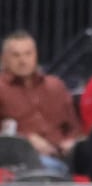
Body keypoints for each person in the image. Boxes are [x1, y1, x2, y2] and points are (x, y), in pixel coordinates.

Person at [0, 30, 80, 175]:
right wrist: (26, 140)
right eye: (16, 55)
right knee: (51, 168)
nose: (23, 60)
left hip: (63, 155)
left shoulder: (56, 86)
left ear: (36, 55)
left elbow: (73, 127)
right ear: (4, 59)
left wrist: (70, 141)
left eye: (28, 54)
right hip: (19, 160)